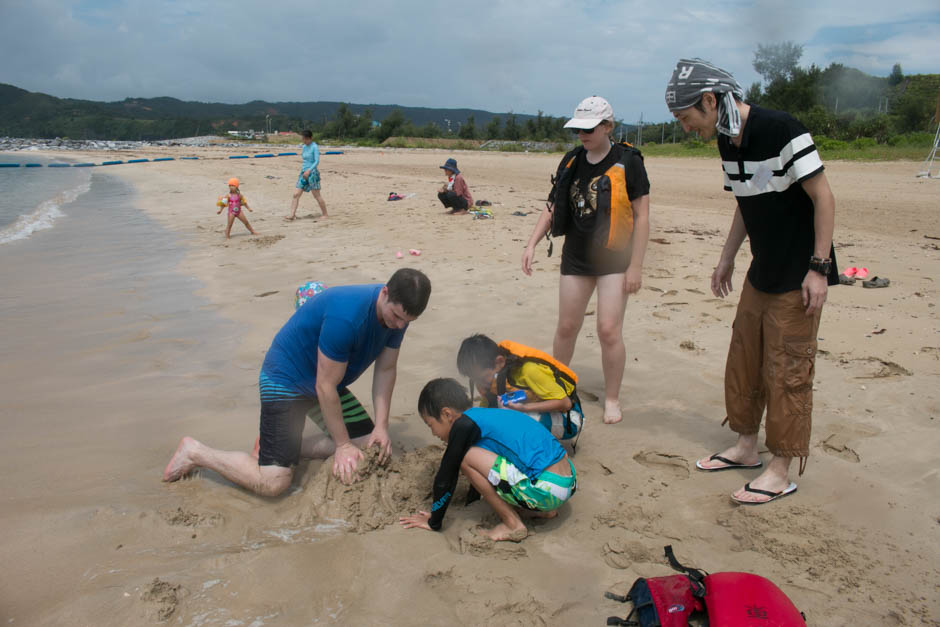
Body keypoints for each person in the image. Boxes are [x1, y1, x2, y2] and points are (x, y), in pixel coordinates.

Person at [665, 58, 838, 505]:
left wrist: (819, 268)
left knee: (788, 369)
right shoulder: (727, 140)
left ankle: (780, 469)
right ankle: (745, 447)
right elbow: (745, 200)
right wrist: (726, 258)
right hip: (762, 270)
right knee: (744, 356)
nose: (686, 129)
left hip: (799, 273)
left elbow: (823, 196)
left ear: (708, 100)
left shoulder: (782, 128)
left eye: (686, 119)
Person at [163, 268, 432, 496]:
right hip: (285, 380)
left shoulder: (400, 315)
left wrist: (382, 427)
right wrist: (342, 446)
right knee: (273, 483)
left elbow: (386, 369)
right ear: (384, 292)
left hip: (323, 381)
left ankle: (285, 445)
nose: (398, 325)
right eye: (396, 316)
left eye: (407, 321)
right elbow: (325, 386)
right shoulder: (347, 317)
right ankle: (196, 452)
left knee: (373, 444)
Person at [521, 96, 651, 425]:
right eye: (577, 128)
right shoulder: (571, 160)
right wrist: (531, 244)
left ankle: (611, 399)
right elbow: (552, 206)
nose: (582, 134)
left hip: (614, 259)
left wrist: (636, 265)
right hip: (576, 257)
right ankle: (555, 390)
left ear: (608, 126)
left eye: (589, 128)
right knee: (566, 327)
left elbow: (643, 216)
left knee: (608, 330)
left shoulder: (629, 161)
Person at [399, 378, 576, 542]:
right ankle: (547, 512)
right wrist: (472, 501)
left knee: (466, 457)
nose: (433, 434)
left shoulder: (463, 425)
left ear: (447, 414)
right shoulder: (484, 415)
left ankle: (512, 525)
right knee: (488, 454)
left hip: (546, 491)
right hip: (567, 482)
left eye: (431, 425)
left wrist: (434, 521)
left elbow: (447, 474)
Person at [456, 334, 584, 442]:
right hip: (536, 410)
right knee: (488, 422)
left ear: (500, 362)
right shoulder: (487, 377)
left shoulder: (529, 370)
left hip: (569, 420)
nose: (481, 384)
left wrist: (525, 408)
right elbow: (488, 405)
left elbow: (565, 403)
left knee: (511, 422)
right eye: (475, 379)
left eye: (484, 378)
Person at [285, 130, 328, 221]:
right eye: (303, 139)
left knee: (316, 195)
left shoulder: (314, 147)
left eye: (306, 139)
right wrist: (305, 171)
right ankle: (292, 215)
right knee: (296, 194)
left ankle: (325, 214)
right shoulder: (304, 147)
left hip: (312, 173)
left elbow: (316, 161)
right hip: (303, 172)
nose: (304, 141)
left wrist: (309, 170)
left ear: (311, 138)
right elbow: (305, 160)